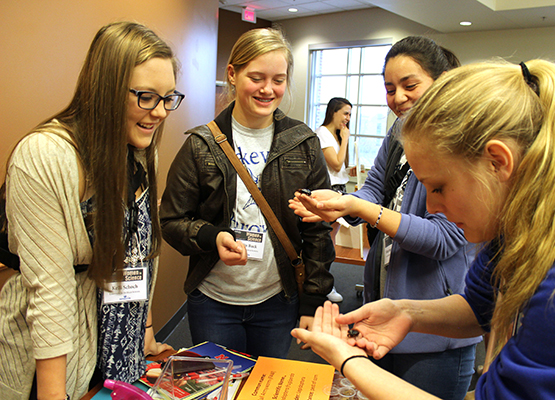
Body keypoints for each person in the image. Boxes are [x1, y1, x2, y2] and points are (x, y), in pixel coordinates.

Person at [292, 59, 555, 400]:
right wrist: (406, 312)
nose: (433, 207)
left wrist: (350, 360)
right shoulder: (513, 231)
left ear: (498, 162)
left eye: (437, 188)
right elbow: (477, 307)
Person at [0, 21, 183, 400]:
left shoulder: (139, 147)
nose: (161, 112)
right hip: (53, 353)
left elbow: (141, 251)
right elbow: (50, 289)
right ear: (106, 90)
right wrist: (53, 394)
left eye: (168, 98)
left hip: (118, 347)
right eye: (146, 96)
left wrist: (145, 332)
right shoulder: (45, 156)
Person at [290, 36, 479, 400]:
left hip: (435, 331)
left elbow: (444, 238)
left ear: (441, 83)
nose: (398, 98)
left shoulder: (459, 142)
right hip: (385, 312)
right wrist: (344, 203)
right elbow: (374, 188)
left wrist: (364, 210)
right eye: (390, 89)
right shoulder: (398, 132)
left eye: (410, 85)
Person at [159, 27, 335, 359]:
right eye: (257, 77)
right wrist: (212, 237)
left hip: (278, 300)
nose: (268, 89)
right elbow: (171, 221)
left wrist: (314, 300)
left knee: (264, 389)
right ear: (233, 74)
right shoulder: (201, 145)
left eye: (279, 79)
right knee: (219, 389)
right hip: (213, 302)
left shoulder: (302, 142)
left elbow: (318, 229)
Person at [315, 97, 353, 303]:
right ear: (333, 112)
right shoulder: (323, 134)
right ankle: (323, 284)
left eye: (349, 114)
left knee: (330, 241)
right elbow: (336, 165)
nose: (347, 118)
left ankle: (324, 282)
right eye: (345, 113)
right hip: (329, 190)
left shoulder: (335, 135)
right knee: (325, 241)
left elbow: (339, 168)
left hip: (339, 188)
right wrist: (345, 138)